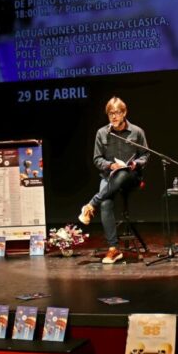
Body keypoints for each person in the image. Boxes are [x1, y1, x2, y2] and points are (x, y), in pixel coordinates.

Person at [78, 97, 149, 264]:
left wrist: (135, 164)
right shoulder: (102, 133)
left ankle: (91, 204)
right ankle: (113, 249)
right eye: (111, 114)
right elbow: (97, 159)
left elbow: (145, 155)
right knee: (105, 203)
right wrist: (110, 166)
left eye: (117, 113)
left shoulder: (136, 132)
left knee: (122, 173)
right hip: (109, 176)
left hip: (131, 176)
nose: (114, 117)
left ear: (124, 113)